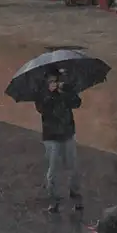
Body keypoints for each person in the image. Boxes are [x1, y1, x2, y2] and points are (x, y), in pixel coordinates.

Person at [35, 67, 83, 213]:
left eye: (55, 80)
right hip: (51, 137)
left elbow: (77, 103)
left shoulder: (65, 88)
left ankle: (76, 196)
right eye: (51, 81)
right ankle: (54, 200)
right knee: (53, 171)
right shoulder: (42, 93)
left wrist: (66, 91)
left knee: (73, 167)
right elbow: (41, 108)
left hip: (67, 133)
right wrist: (49, 94)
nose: (54, 83)